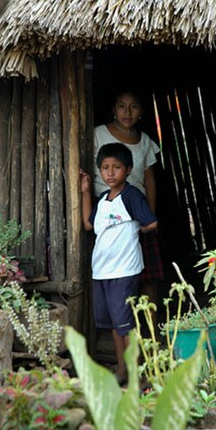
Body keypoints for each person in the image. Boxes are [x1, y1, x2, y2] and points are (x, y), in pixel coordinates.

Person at [81, 142, 158, 385]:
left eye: (116, 167)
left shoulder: (133, 195)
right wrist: (85, 192)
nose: (110, 172)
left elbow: (151, 222)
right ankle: (122, 370)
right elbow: (88, 225)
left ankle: (135, 373)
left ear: (128, 169)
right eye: (105, 168)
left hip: (124, 270)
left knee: (125, 324)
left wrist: (135, 231)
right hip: (102, 271)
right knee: (115, 324)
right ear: (100, 172)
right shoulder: (103, 199)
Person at [93, 90, 164, 316]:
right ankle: (115, 324)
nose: (127, 112)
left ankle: (151, 328)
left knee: (147, 274)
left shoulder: (145, 142)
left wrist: (149, 214)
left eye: (133, 106)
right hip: (107, 210)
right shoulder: (98, 135)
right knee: (110, 271)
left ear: (141, 112)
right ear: (113, 109)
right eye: (122, 106)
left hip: (136, 208)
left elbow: (149, 179)